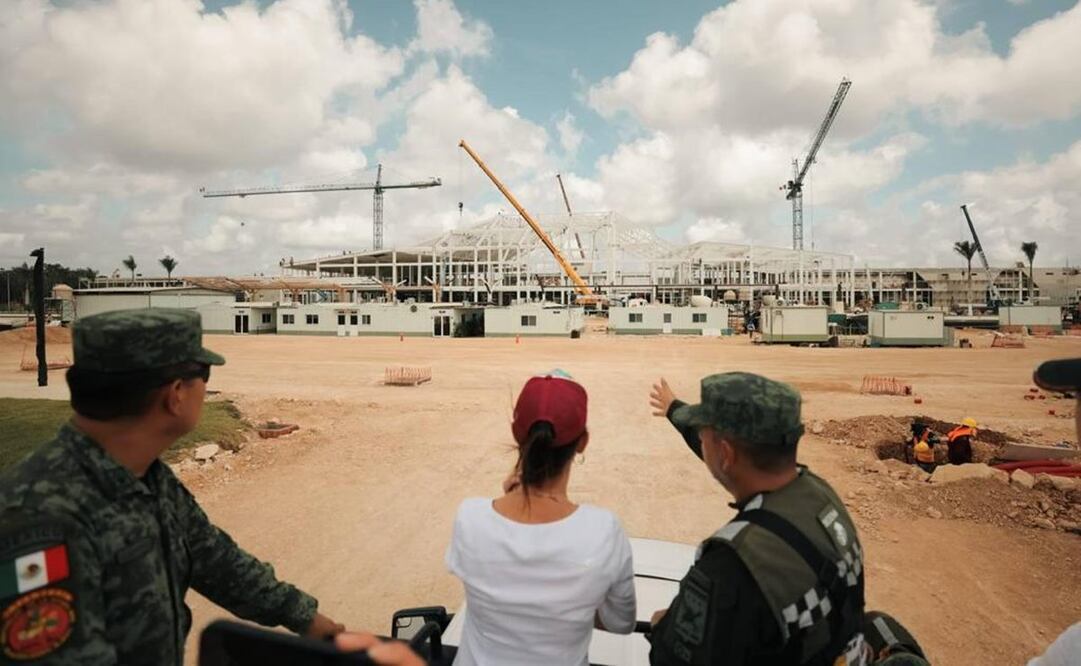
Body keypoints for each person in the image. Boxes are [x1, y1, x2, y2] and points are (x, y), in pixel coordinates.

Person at [0, 309, 342, 665]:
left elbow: (218, 561)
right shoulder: (38, 519)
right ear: (176, 394)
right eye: (204, 374)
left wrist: (315, 625)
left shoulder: (144, 475)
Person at [647, 374, 867, 665]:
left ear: (726, 453)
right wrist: (674, 408)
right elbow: (740, 459)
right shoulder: (819, 495)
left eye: (703, 434)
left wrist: (663, 628)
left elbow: (673, 659)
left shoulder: (734, 565)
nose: (699, 438)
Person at [444, 370, 636, 665]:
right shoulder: (603, 532)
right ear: (582, 442)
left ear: (516, 433)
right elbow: (620, 623)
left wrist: (512, 496)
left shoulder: (470, 518)